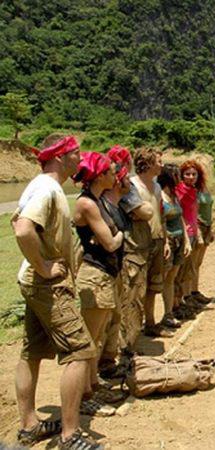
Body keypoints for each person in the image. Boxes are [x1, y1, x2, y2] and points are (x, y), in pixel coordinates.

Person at [12, 135, 103, 449]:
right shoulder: (48, 188)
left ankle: (29, 426)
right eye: (76, 153)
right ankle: (70, 435)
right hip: (47, 284)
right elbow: (23, 227)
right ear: (61, 156)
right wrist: (44, 267)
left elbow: (21, 223)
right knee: (79, 351)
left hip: (34, 282)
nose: (80, 159)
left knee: (32, 352)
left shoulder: (41, 186)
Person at [72, 152, 125, 417]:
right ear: (100, 175)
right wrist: (120, 235)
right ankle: (83, 397)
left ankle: (92, 386)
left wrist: (115, 237)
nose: (116, 175)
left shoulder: (98, 200)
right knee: (88, 341)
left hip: (104, 274)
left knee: (98, 335)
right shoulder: (88, 204)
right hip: (94, 276)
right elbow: (110, 241)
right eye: (111, 171)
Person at [107, 146, 154, 372]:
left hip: (134, 251)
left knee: (128, 301)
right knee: (131, 302)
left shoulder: (119, 186)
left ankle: (123, 350)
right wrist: (142, 209)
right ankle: (126, 351)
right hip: (131, 252)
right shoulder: (123, 186)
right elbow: (145, 212)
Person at [130, 149, 168, 338]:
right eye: (159, 161)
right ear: (148, 163)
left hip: (157, 239)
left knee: (154, 285)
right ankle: (134, 329)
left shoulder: (157, 187)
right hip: (138, 243)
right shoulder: (132, 186)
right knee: (137, 288)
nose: (162, 165)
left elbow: (160, 215)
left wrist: (165, 240)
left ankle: (150, 323)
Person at [158, 164, 192, 328]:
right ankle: (162, 313)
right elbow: (161, 222)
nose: (180, 179)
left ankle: (168, 313)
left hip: (179, 238)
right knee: (165, 278)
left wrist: (186, 240)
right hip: (169, 240)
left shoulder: (174, 196)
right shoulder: (161, 196)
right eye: (177, 176)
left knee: (171, 278)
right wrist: (165, 242)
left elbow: (181, 219)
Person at [175, 160, 209, 316]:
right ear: (181, 175)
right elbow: (179, 213)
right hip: (185, 234)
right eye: (187, 174)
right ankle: (180, 302)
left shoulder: (194, 190)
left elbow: (194, 215)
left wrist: (199, 233)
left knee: (190, 269)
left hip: (194, 232)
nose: (190, 177)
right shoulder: (180, 191)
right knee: (181, 271)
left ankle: (186, 299)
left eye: (193, 174)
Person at [192, 168, 215, 301]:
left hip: (207, 226)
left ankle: (194, 291)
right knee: (193, 262)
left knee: (198, 262)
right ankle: (191, 293)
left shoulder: (205, 188)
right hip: (198, 226)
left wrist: (211, 228)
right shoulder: (194, 190)